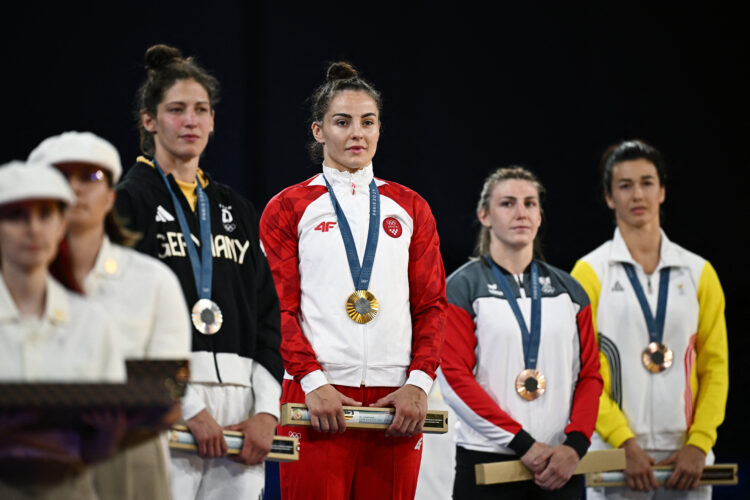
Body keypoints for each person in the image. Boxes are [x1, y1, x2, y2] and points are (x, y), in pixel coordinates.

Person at [259, 61, 447, 500]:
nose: (356, 134)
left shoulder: (410, 207)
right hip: (318, 396)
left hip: (398, 399)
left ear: (380, 129)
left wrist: (418, 385)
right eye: (342, 122)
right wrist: (312, 383)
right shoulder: (289, 207)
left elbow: (432, 306)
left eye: (368, 122)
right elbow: (276, 309)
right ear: (318, 131)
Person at [114, 44, 284, 499]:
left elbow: (269, 316)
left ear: (212, 121)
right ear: (149, 121)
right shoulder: (128, 203)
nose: (190, 121)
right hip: (163, 406)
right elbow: (125, 317)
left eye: (201, 110)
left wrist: (267, 411)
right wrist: (183, 405)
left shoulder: (235, 208)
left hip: (243, 410)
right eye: (176, 110)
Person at [28, 130, 192, 499]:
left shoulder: (153, 281)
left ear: (110, 196)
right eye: (59, 176)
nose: (74, 188)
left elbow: (165, 391)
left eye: (90, 176)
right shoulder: (10, 285)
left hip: (130, 457)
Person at [571, 140, 728, 499]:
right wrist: (623, 442)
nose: (637, 194)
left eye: (646, 182)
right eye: (625, 186)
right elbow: (581, 369)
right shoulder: (589, 273)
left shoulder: (699, 272)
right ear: (609, 198)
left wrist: (700, 442)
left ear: (662, 191)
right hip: (613, 451)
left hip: (686, 453)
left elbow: (715, 367)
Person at [438, 166, 602, 499]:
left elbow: (590, 376)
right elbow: (454, 378)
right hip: (488, 462)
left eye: (530, 203)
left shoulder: (570, 290)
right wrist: (522, 443)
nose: (521, 213)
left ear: (540, 215)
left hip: (560, 466)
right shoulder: (462, 287)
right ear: (484, 215)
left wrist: (576, 445)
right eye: (508, 203)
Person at [0, 161, 126, 499]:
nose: (33, 229)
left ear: (61, 225)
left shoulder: (94, 325)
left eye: (46, 215)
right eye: (16, 216)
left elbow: (103, 446)